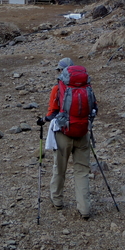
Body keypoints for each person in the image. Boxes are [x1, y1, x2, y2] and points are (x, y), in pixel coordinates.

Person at [37, 57, 97, 220]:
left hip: (63, 134)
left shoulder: (58, 88)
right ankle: (84, 209)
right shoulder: (87, 86)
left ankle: (57, 201)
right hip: (83, 133)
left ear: (61, 71)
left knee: (60, 169)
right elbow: (94, 110)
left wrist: (42, 120)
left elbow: (52, 113)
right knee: (82, 172)